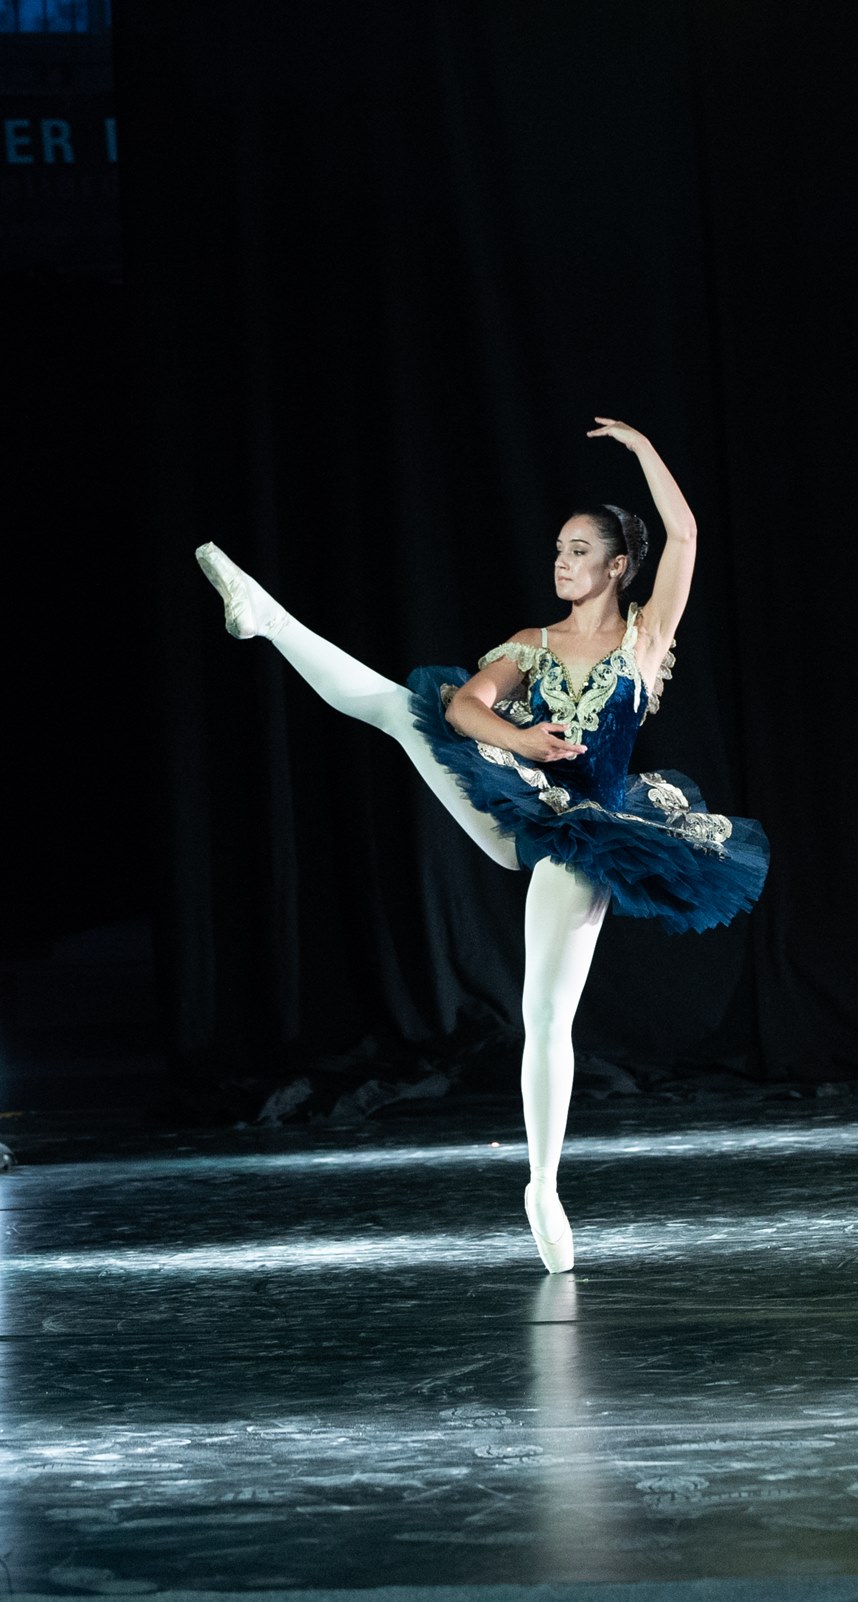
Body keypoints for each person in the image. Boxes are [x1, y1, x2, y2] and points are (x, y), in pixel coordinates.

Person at [195, 418, 765, 1273]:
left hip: (592, 832)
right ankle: (267, 617)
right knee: (401, 709)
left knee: (546, 1013)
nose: (562, 562)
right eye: (559, 550)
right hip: (517, 800)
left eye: (580, 551)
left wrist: (644, 450)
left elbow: (682, 535)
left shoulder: (644, 639)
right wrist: (523, 739)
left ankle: (543, 1185)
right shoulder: (533, 645)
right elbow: (464, 707)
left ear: (618, 566)